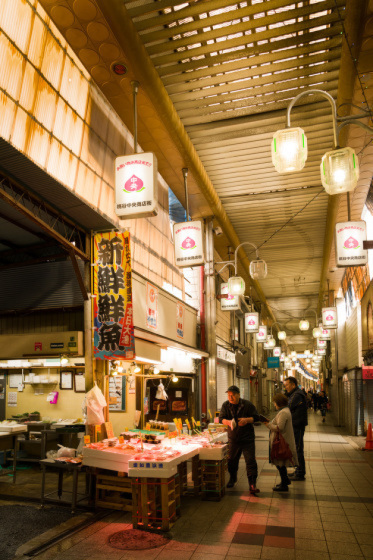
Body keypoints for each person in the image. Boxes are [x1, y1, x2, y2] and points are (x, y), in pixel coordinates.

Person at [219, 385, 260, 494]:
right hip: (233, 438)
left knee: (250, 461)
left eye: (232, 395)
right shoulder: (226, 405)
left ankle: (252, 484)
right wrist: (228, 422)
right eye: (228, 395)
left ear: (238, 395)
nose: (230, 397)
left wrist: (247, 420)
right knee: (232, 460)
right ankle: (232, 478)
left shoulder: (248, 405)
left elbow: (256, 418)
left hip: (247, 438)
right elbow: (221, 419)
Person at [264, 393, 298, 492]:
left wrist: (268, 425)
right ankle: (285, 480)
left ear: (278, 403)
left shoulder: (283, 412)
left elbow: (279, 427)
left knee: (280, 463)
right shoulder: (284, 411)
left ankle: (284, 483)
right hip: (282, 441)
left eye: (274, 403)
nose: (274, 405)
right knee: (280, 463)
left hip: (282, 442)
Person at [283, 376, 308, 481]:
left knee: (298, 449)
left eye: (287, 385)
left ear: (293, 384)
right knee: (297, 448)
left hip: (297, 425)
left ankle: (300, 472)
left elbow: (287, 406)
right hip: (296, 424)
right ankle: (298, 470)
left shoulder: (297, 394)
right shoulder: (295, 394)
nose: (286, 387)